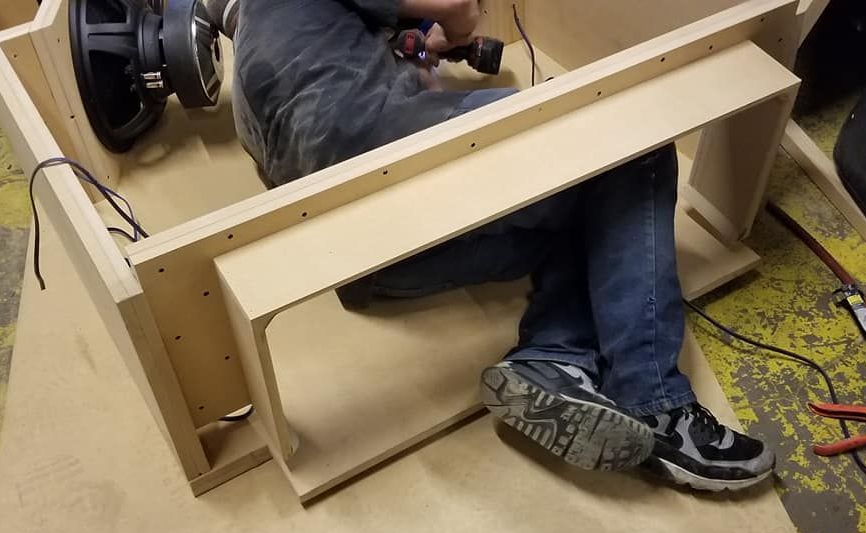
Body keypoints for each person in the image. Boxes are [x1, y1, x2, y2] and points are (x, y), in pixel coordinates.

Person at [209, 0, 775, 490]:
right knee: (628, 137)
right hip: (393, 173)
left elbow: (356, 128)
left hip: (368, 268)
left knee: (588, 214)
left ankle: (554, 361)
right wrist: (452, 32)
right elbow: (456, 10)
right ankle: (656, 402)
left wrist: (413, 56)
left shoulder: (256, 76)